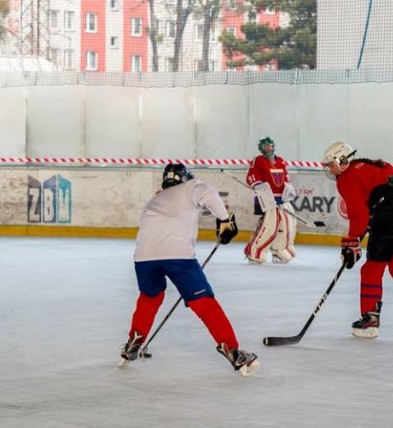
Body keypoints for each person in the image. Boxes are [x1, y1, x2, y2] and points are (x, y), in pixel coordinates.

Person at [120, 163, 259, 376]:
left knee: (149, 298)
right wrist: (224, 220)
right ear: (185, 178)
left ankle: (134, 342)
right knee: (204, 304)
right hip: (178, 256)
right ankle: (233, 351)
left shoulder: (155, 199)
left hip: (144, 257)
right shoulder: (190, 187)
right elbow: (209, 193)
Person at [322, 141, 393, 338]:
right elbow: (378, 198)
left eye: (331, 164)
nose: (330, 169)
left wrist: (352, 243)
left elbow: (359, 215)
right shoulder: (378, 165)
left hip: (390, 213)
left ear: (342, 160)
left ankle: (370, 320)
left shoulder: (347, 177)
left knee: (371, 269)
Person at [244, 136, 298, 264]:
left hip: (282, 200)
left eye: (270, 146)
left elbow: (286, 178)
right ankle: (254, 252)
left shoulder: (281, 161)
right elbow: (252, 177)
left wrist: (288, 190)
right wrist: (263, 191)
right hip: (267, 201)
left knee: (288, 225)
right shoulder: (258, 161)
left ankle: (279, 250)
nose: (269, 149)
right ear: (261, 148)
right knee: (269, 226)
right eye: (266, 146)